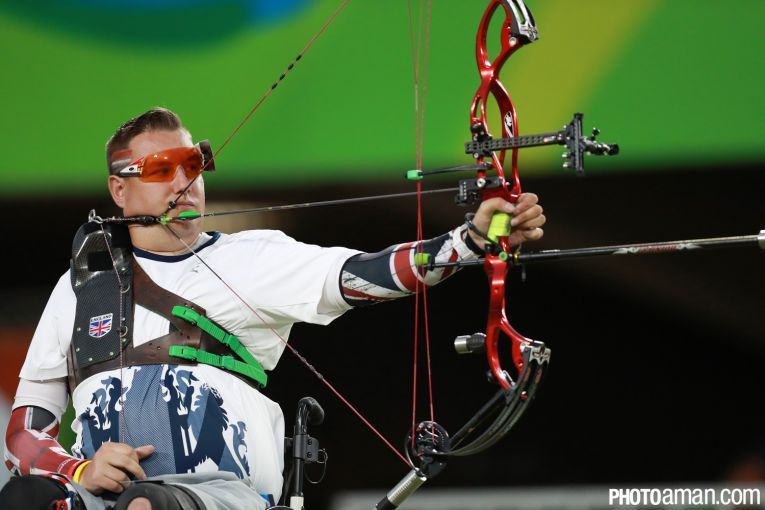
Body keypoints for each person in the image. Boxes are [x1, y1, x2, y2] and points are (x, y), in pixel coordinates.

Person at [1, 107, 546, 510]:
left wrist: (472, 240)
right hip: (103, 497)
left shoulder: (251, 257)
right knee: (23, 498)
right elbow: (24, 433)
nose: (186, 183)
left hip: (220, 496)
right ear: (119, 190)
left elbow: (365, 275)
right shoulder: (81, 287)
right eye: (162, 168)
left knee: (147, 506)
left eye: (194, 164)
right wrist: (80, 469)